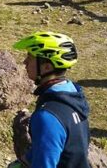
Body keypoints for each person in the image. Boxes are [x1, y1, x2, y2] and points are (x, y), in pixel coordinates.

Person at [12, 32, 90, 168]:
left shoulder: (47, 116)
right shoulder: (73, 97)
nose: (25, 62)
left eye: (30, 57)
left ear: (47, 67)